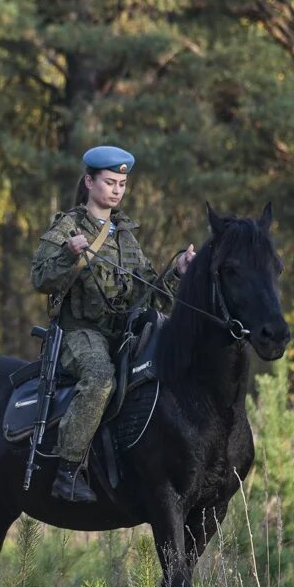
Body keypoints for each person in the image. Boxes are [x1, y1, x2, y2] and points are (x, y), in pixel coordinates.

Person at [31, 146, 196, 502]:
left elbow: (151, 293)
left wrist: (179, 271)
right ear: (89, 182)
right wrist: (69, 255)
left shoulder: (126, 235)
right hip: (80, 332)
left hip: (124, 333)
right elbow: (41, 279)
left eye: (122, 183)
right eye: (110, 182)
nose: (117, 190)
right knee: (100, 379)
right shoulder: (67, 228)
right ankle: (67, 471)